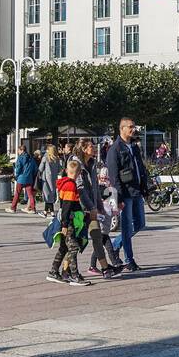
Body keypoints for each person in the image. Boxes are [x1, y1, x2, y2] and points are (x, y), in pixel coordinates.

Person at [106, 117, 150, 272]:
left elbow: (140, 168)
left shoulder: (133, 146)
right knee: (126, 227)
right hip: (125, 193)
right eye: (130, 127)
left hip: (137, 190)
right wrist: (118, 197)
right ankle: (129, 260)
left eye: (133, 126)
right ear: (122, 129)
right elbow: (113, 176)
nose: (133, 129)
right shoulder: (115, 149)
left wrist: (145, 187)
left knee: (140, 224)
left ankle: (116, 244)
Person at [76, 139, 121, 278]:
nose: (94, 148)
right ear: (84, 149)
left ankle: (106, 269)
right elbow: (80, 190)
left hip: (93, 208)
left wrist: (99, 206)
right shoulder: (77, 164)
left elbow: (95, 188)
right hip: (79, 209)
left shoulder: (92, 164)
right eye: (91, 146)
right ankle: (62, 270)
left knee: (97, 237)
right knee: (73, 243)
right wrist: (91, 207)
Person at [47, 158, 91, 286]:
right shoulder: (70, 185)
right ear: (78, 174)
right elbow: (67, 206)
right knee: (73, 247)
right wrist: (65, 224)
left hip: (67, 219)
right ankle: (74, 275)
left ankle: (54, 272)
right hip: (69, 221)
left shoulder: (65, 183)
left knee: (64, 247)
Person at [8, 142, 38, 214]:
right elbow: (35, 169)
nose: (18, 152)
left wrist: (16, 176)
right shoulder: (31, 158)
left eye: (18, 150)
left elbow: (18, 168)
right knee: (30, 194)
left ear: (21, 150)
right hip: (29, 178)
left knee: (17, 193)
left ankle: (13, 208)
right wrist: (31, 175)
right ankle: (33, 209)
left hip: (21, 178)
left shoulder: (20, 158)